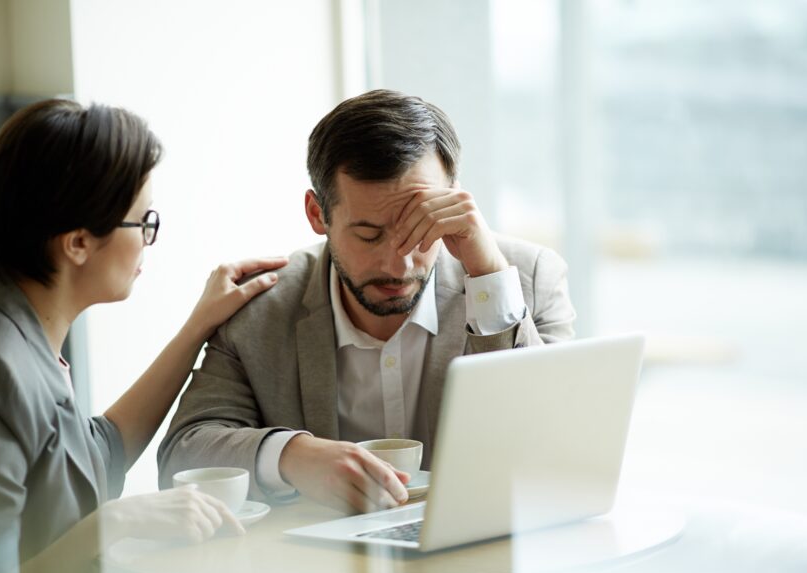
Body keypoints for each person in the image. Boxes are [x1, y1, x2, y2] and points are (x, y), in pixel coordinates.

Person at [0, 99, 288, 573]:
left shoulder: (9, 325)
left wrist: (197, 329)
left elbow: (93, 456)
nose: (149, 239)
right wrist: (112, 524)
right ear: (78, 242)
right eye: (144, 221)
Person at [158, 89, 576, 514]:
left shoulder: (525, 279)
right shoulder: (261, 305)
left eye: (420, 229)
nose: (398, 263)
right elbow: (183, 454)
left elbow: (561, 450)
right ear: (317, 214)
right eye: (369, 235)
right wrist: (292, 455)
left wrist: (488, 281)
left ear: (453, 200)